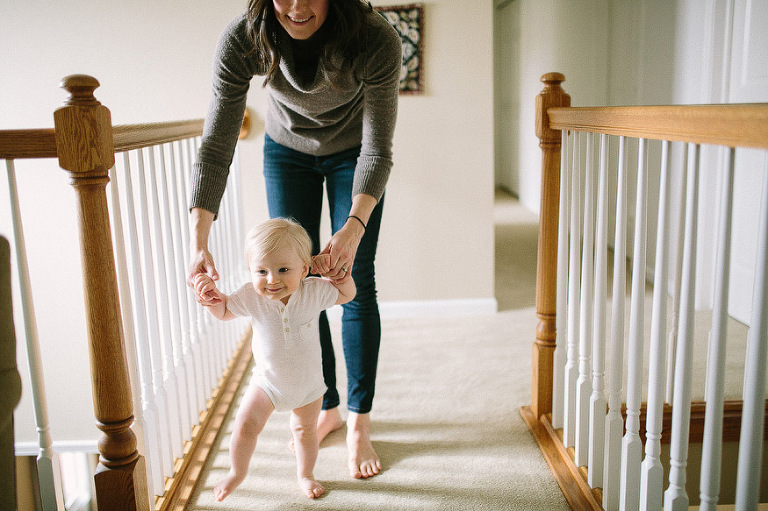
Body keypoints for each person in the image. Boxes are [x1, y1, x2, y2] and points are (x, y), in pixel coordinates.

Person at [187, 0, 401, 479]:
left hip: (355, 155)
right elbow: (217, 142)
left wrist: (353, 228)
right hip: (286, 151)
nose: (298, 7)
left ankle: (360, 420)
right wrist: (199, 237)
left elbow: (379, 147)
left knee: (352, 279)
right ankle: (325, 406)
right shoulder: (244, 37)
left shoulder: (374, 37)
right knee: (295, 279)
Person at [193, 218, 356, 500]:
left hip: (308, 387)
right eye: (261, 271)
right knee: (245, 426)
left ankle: (306, 474)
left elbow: (346, 295)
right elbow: (223, 311)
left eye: (283, 269)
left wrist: (342, 277)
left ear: (304, 269)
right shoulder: (250, 297)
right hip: (267, 384)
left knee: (306, 433)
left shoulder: (314, 291)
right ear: (250, 271)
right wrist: (210, 297)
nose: (272, 279)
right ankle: (236, 472)